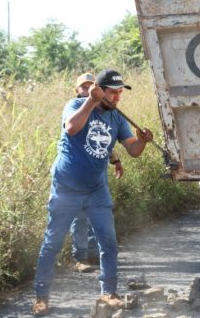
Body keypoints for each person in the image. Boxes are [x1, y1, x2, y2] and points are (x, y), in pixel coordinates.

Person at [32, 69, 153, 316]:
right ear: (99, 90)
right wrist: (91, 101)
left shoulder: (118, 119)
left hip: (97, 189)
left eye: (120, 93)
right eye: (112, 92)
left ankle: (108, 293)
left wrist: (142, 141)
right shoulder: (76, 104)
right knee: (52, 243)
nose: (118, 97)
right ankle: (41, 297)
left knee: (108, 242)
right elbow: (71, 128)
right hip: (67, 187)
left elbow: (133, 150)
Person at [69, 73, 124, 273]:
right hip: (76, 176)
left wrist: (115, 160)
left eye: (89, 87)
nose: (86, 91)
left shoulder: (101, 110)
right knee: (79, 216)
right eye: (83, 87)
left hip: (97, 175)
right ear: (77, 91)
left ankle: (95, 253)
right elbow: (72, 131)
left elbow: (103, 139)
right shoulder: (76, 109)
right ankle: (80, 257)